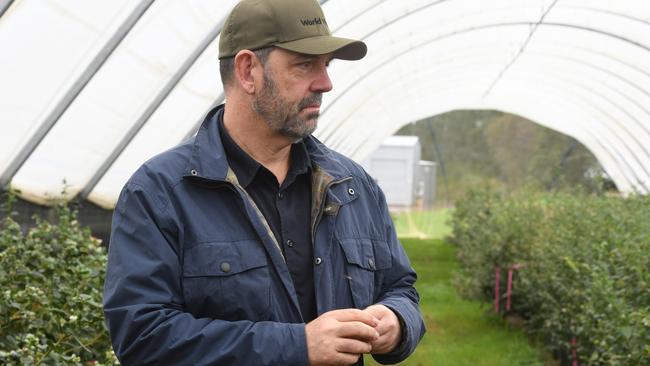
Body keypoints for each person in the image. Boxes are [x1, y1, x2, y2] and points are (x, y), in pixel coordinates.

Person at [103, 0, 425, 364]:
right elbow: (142, 336)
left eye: (327, 66)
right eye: (305, 65)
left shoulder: (352, 186)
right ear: (247, 71)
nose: (326, 83)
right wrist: (297, 346)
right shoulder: (162, 193)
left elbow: (400, 287)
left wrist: (397, 321)